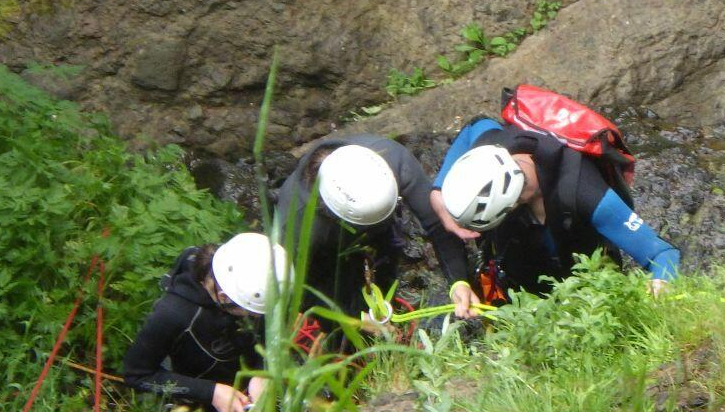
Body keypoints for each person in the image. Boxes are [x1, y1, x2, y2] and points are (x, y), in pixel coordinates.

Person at [432, 117, 680, 317]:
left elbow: (662, 253)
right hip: (518, 280)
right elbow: (475, 124)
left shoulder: (586, 194)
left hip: (586, 290)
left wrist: (661, 283)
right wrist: (438, 191)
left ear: (512, 204)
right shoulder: (490, 144)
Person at [274, 135, 471, 319]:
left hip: (381, 224)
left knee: (387, 258)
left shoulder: (393, 160)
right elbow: (297, 289)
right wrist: (353, 320)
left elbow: (437, 222)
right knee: (335, 285)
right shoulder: (296, 226)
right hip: (326, 245)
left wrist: (459, 281)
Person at [122, 232, 286, 412]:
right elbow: (136, 375)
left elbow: (270, 333)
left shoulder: (246, 277)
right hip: (197, 394)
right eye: (251, 312)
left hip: (240, 373)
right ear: (224, 297)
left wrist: (262, 371)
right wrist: (211, 392)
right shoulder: (172, 315)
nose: (256, 317)